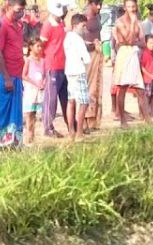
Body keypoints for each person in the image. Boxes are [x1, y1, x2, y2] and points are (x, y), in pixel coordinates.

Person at [0, 0, 25, 149]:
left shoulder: (19, 26)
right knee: (1, 109)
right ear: (9, 8)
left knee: (15, 112)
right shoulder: (3, 26)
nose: (20, 13)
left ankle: (12, 143)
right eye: (17, 10)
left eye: (22, 10)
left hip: (17, 73)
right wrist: (6, 78)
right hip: (4, 74)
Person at [111, 0, 150, 127]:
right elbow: (127, 39)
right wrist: (133, 24)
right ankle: (122, 120)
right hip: (124, 54)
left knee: (140, 89)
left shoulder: (138, 22)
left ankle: (147, 119)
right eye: (129, 7)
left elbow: (143, 43)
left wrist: (134, 41)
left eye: (133, 6)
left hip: (133, 54)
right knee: (122, 87)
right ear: (124, 7)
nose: (132, 9)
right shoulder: (120, 22)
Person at [39, 0, 68, 138]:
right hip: (52, 65)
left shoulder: (62, 23)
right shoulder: (47, 26)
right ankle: (47, 127)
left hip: (63, 65)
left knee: (64, 98)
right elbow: (41, 46)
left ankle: (70, 124)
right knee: (51, 99)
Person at [63, 12, 89, 143]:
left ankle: (71, 131)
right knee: (84, 102)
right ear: (75, 25)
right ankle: (79, 131)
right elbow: (86, 58)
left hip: (69, 71)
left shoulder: (67, 37)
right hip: (79, 71)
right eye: (83, 26)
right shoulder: (78, 40)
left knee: (71, 101)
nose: (84, 29)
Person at [81, 0, 102, 131]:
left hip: (96, 53)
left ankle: (93, 120)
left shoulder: (97, 15)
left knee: (96, 88)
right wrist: (92, 44)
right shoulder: (84, 17)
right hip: (88, 54)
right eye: (97, 4)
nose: (99, 7)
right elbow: (82, 38)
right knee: (88, 87)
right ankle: (84, 120)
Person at [22, 37, 46, 143]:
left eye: (41, 46)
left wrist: (43, 83)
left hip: (39, 90)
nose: (40, 48)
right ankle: (28, 136)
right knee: (29, 114)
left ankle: (32, 136)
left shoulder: (42, 61)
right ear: (31, 47)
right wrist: (35, 83)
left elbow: (45, 75)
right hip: (30, 89)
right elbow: (24, 75)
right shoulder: (27, 60)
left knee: (34, 113)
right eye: (38, 46)